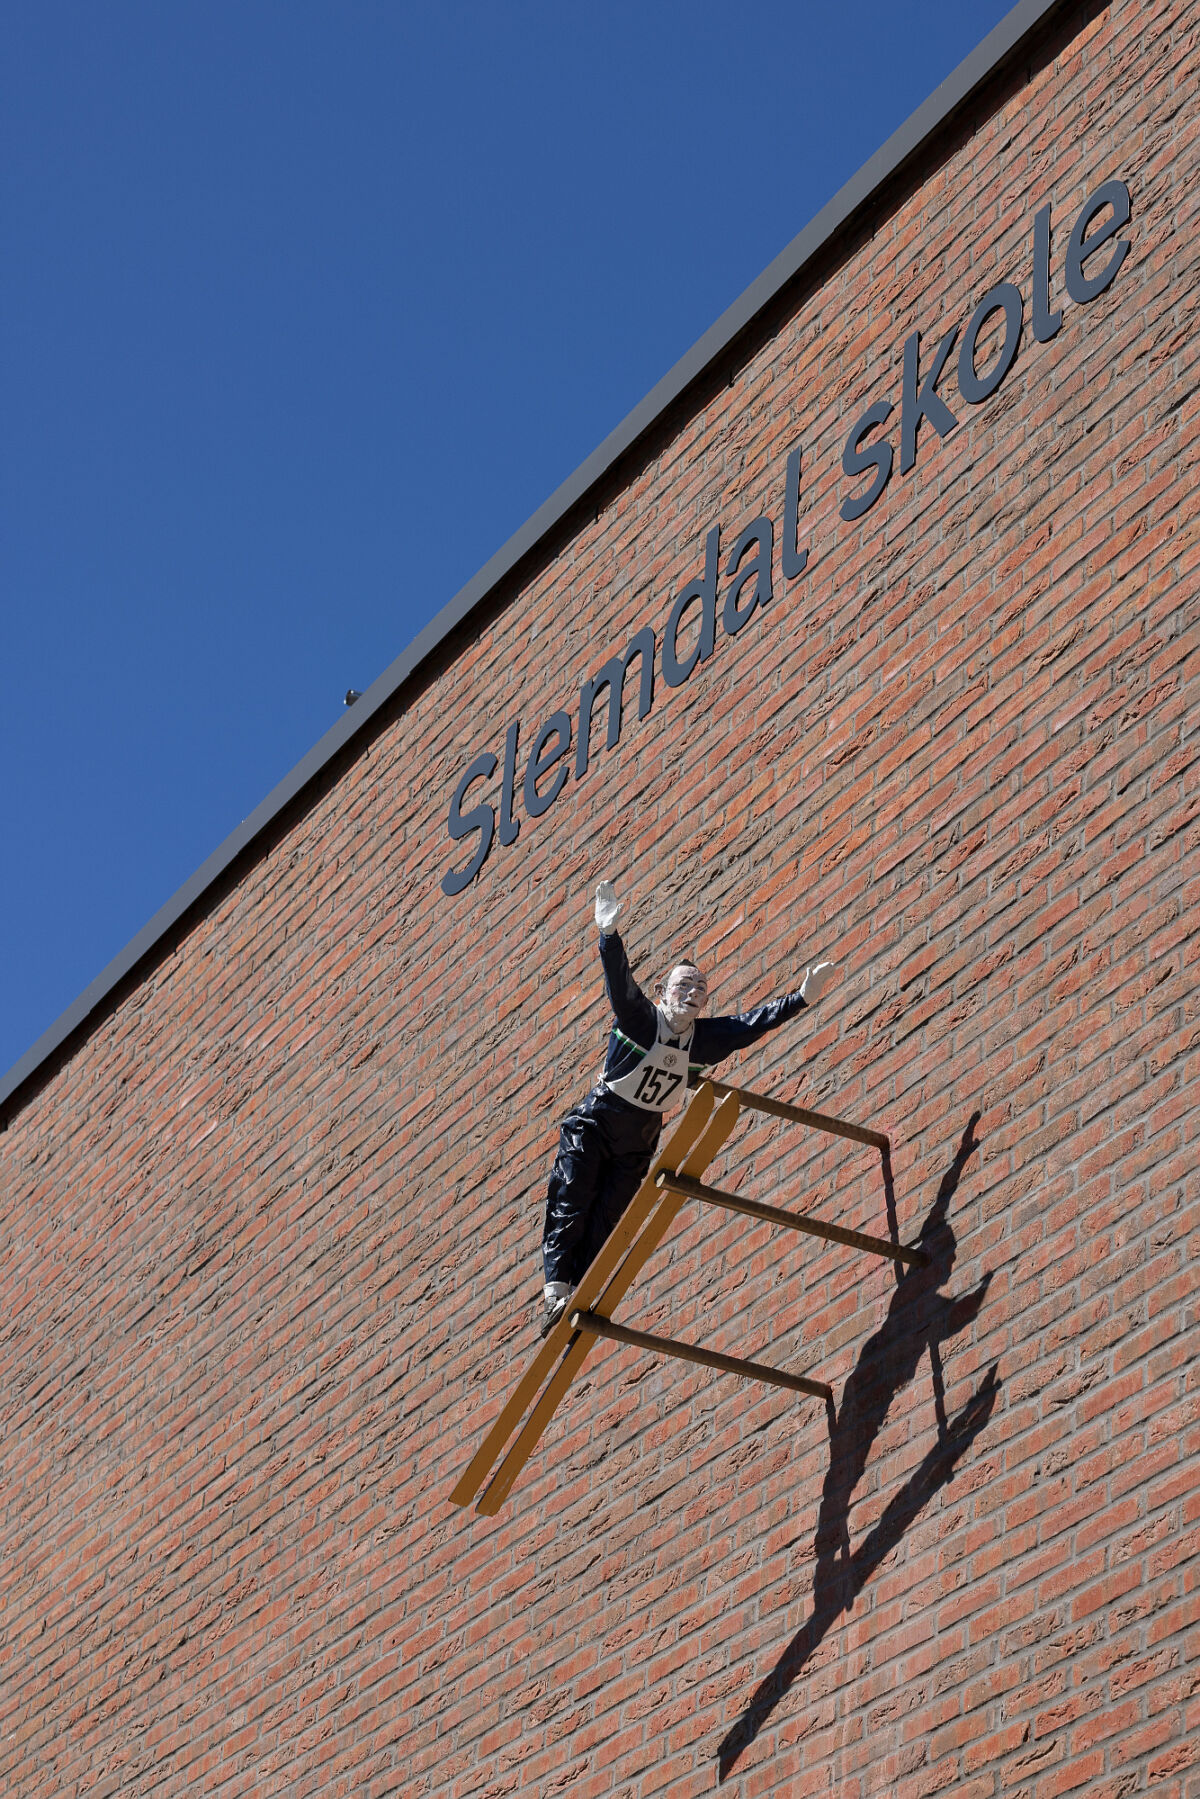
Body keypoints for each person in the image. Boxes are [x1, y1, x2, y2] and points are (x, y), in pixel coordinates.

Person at [539, 881, 835, 1334]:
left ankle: (576, 1288)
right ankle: (557, 1285)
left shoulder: (704, 1038)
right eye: (683, 985)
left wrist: (800, 998)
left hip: (638, 1142)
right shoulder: (642, 1020)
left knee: (609, 1215)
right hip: (597, 1123)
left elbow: (749, 1024)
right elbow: (621, 985)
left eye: (701, 988)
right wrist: (609, 934)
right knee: (572, 1194)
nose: (692, 993)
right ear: (663, 990)